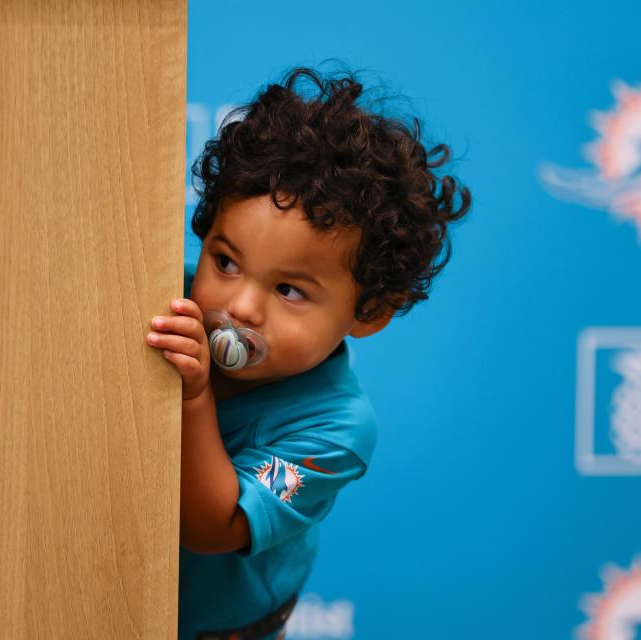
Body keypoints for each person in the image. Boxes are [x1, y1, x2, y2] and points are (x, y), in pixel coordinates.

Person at [144, 65, 471, 640]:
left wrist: (194, 396)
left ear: (369, 312)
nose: (240, 306)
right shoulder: (162, 293)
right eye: (225, 261)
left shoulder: (337, 431)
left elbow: (211, 526)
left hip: (219, 628)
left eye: (289, 290)